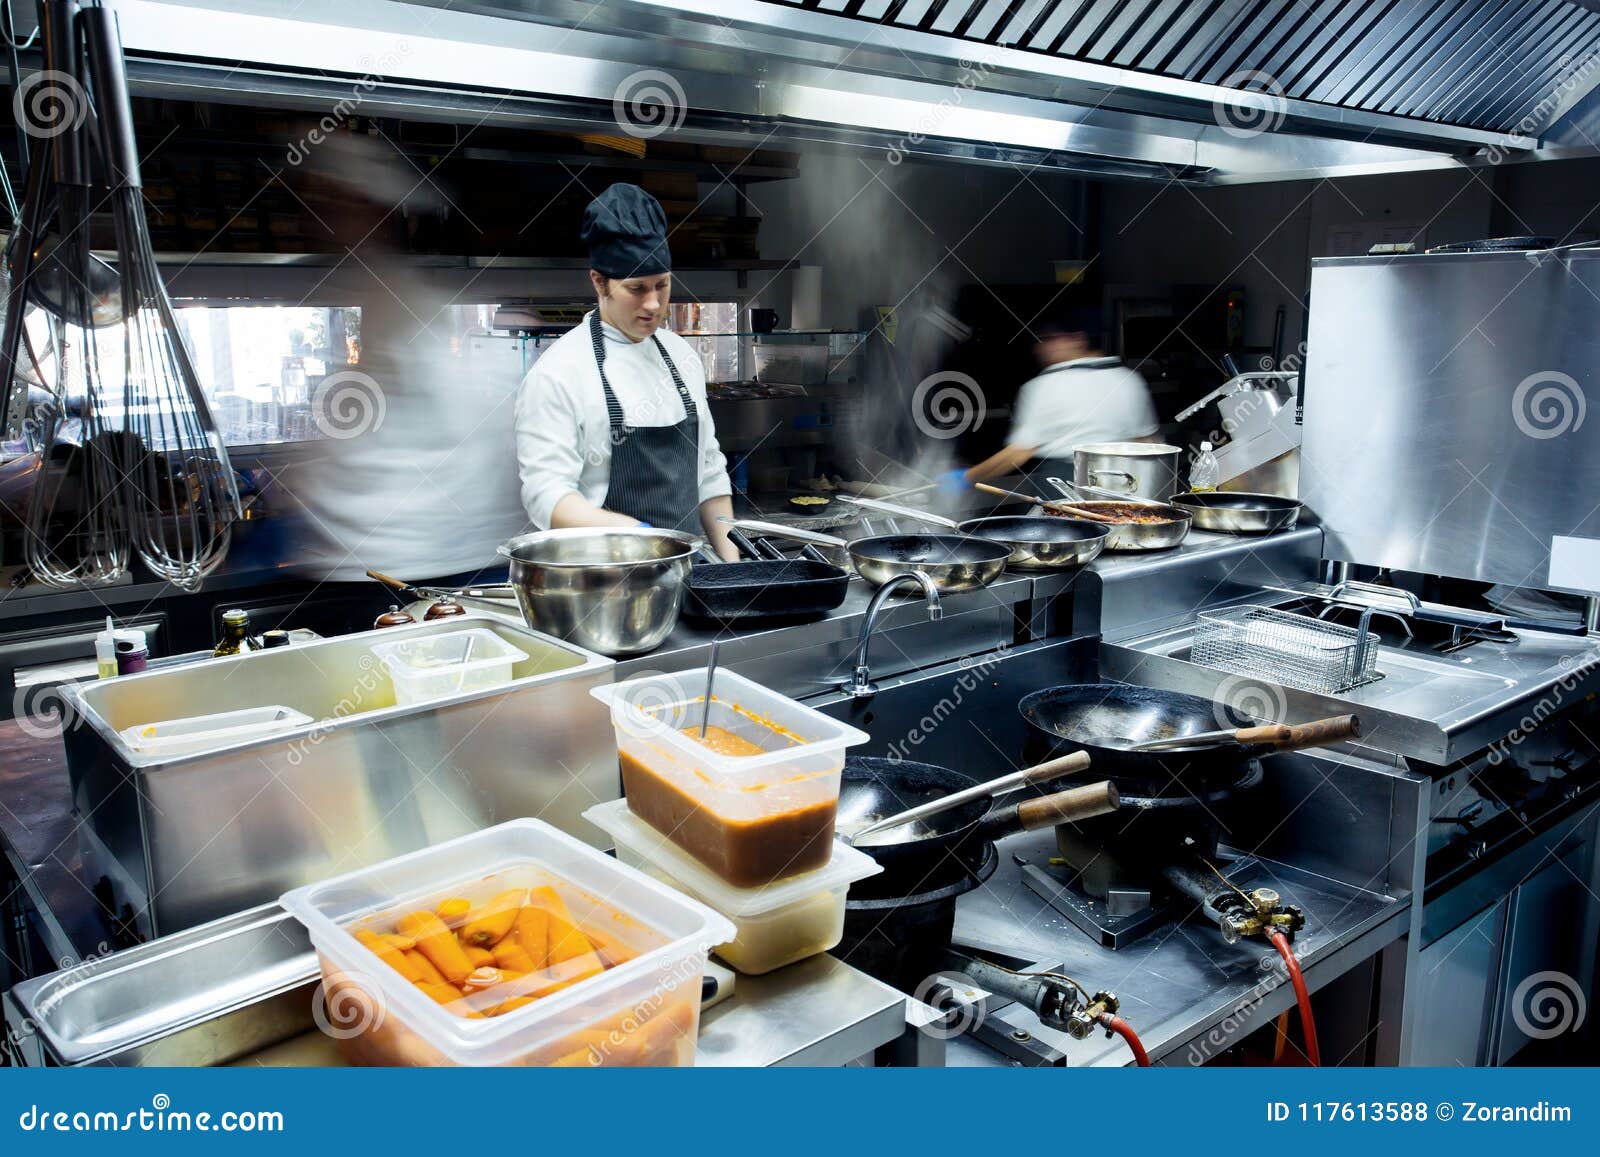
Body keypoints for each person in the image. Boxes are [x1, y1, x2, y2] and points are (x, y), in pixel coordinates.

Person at [514, 183, 738, 559]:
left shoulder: (682, 356)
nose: (653, 304)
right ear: (599, 282)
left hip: (686, 572)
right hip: (601, 577)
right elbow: (547, 496)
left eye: (662, 286)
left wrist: (732, 565)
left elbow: (710, 472)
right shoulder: (559, 372)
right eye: (636, 289)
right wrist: (637, 535)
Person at [939, 321, 1159, 495]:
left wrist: (966, 478)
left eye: (1050, 340)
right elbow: (1147, 443)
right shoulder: (1129, 379)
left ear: (1078, 339)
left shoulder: (1044, 386)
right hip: (1121, 482)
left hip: (1063, 482)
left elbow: (1018, 452)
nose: (1041, 348)